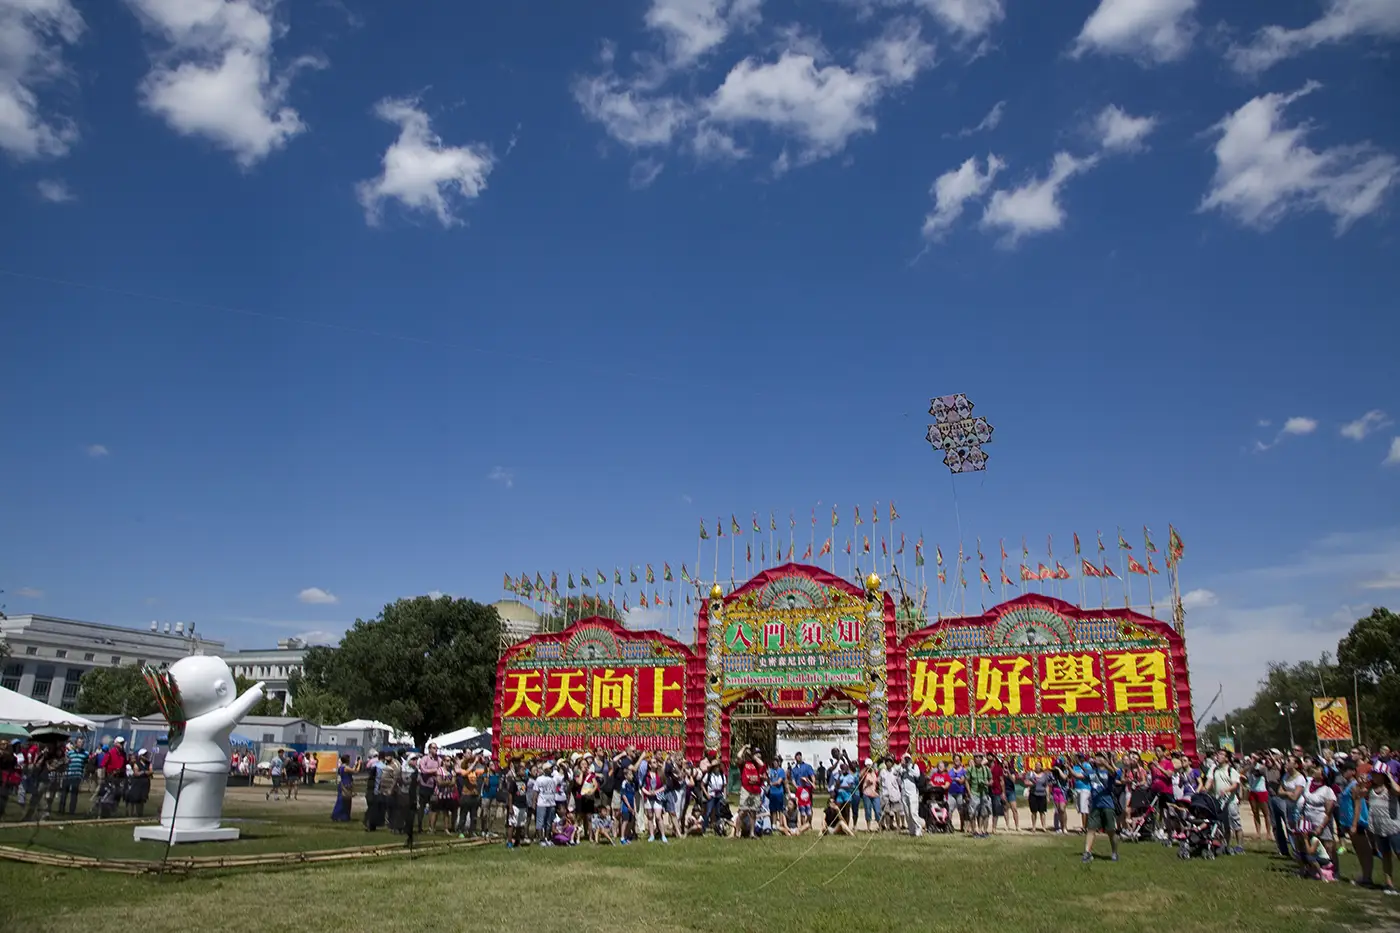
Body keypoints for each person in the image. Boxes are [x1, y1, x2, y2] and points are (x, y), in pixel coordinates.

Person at [1365, 765, 1400, 895]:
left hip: (1394, 827)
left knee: (1399, 853)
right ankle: (1389, 884)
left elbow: (1398, 790)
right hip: (1379, 828)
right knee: (1385, 855)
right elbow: (1359, 793)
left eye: (1377, 774)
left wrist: (1390, 777)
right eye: (1373, 773)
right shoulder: (1371, 788)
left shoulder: (1389, 788)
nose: (1374, 776)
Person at [1082, 751, 1121, 863]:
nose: (1098, 758)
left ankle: (1114, 852)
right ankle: (1087, 852)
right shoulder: (1091, 772)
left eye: (1101, 757)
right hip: (1095, 805)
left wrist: (1107, 763)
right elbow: (1079, 776)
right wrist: (1069, 768)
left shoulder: (1109, 771)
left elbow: (1114, 772)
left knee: (1110, 830)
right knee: (1091, 829)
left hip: (1108, 804)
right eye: (1097, 756)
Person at [967, 752, 993, 839]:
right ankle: (975, 831)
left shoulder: (986, 769)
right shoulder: (970, 769)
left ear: (982, 759)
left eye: (979, 757)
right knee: (972, 813)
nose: (978, 759)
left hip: (984, 793)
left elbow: (991, 780)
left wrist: (988, 783)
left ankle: (983, 831)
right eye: (976, 757)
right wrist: (969, 792)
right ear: (974, 759)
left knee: (985, 813)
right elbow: (967, 780)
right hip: (974, 793)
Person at [897, 753, 924, 837]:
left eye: (907, 759)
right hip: (904, 792)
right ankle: (911, 830)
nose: (905, 761)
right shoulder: (901, 768)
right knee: (907, 813)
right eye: (904, 759)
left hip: (913, 792)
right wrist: (901, 765)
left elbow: (917, 774)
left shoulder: (914, 766)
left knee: (913, 812)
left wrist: (908, 766)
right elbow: (896, 772)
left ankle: (918, 828)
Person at [125, 749, 153, 818]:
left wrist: (144, 772)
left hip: (145, 783)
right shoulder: (136, 764)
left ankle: (140, 814)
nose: (146, 756)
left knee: (142, 799)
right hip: (137, 783)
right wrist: (144, 772)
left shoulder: (148, 763)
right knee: (136, 798)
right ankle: (134, 813)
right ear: (140, 756)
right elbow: (136, 773)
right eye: (144, 755)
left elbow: (151, 771)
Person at [331, 753, 354, 822]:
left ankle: (343, 816)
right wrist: (358, 763)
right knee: (343, 801)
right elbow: (355, 771)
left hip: (344, 784)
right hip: (345, 785)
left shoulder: (342, 767)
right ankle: (340, 816)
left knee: (344, 801)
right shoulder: (345, 767)